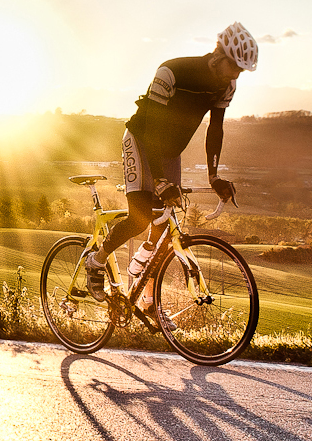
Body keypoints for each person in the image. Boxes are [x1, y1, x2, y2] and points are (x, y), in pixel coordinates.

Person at [86, 22, 253, 324]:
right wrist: (161, 180)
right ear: (218, 55)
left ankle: (148, 299)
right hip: (141, 139)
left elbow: (215, 128)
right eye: (234, 66)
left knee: (163, 225)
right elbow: (152, 127)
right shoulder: (172, 72)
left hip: (170, 151)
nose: (236, 75)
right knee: (139, 217)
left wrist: (213, 177)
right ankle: (95, 262)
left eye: (242, 70)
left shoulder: (227, 85)